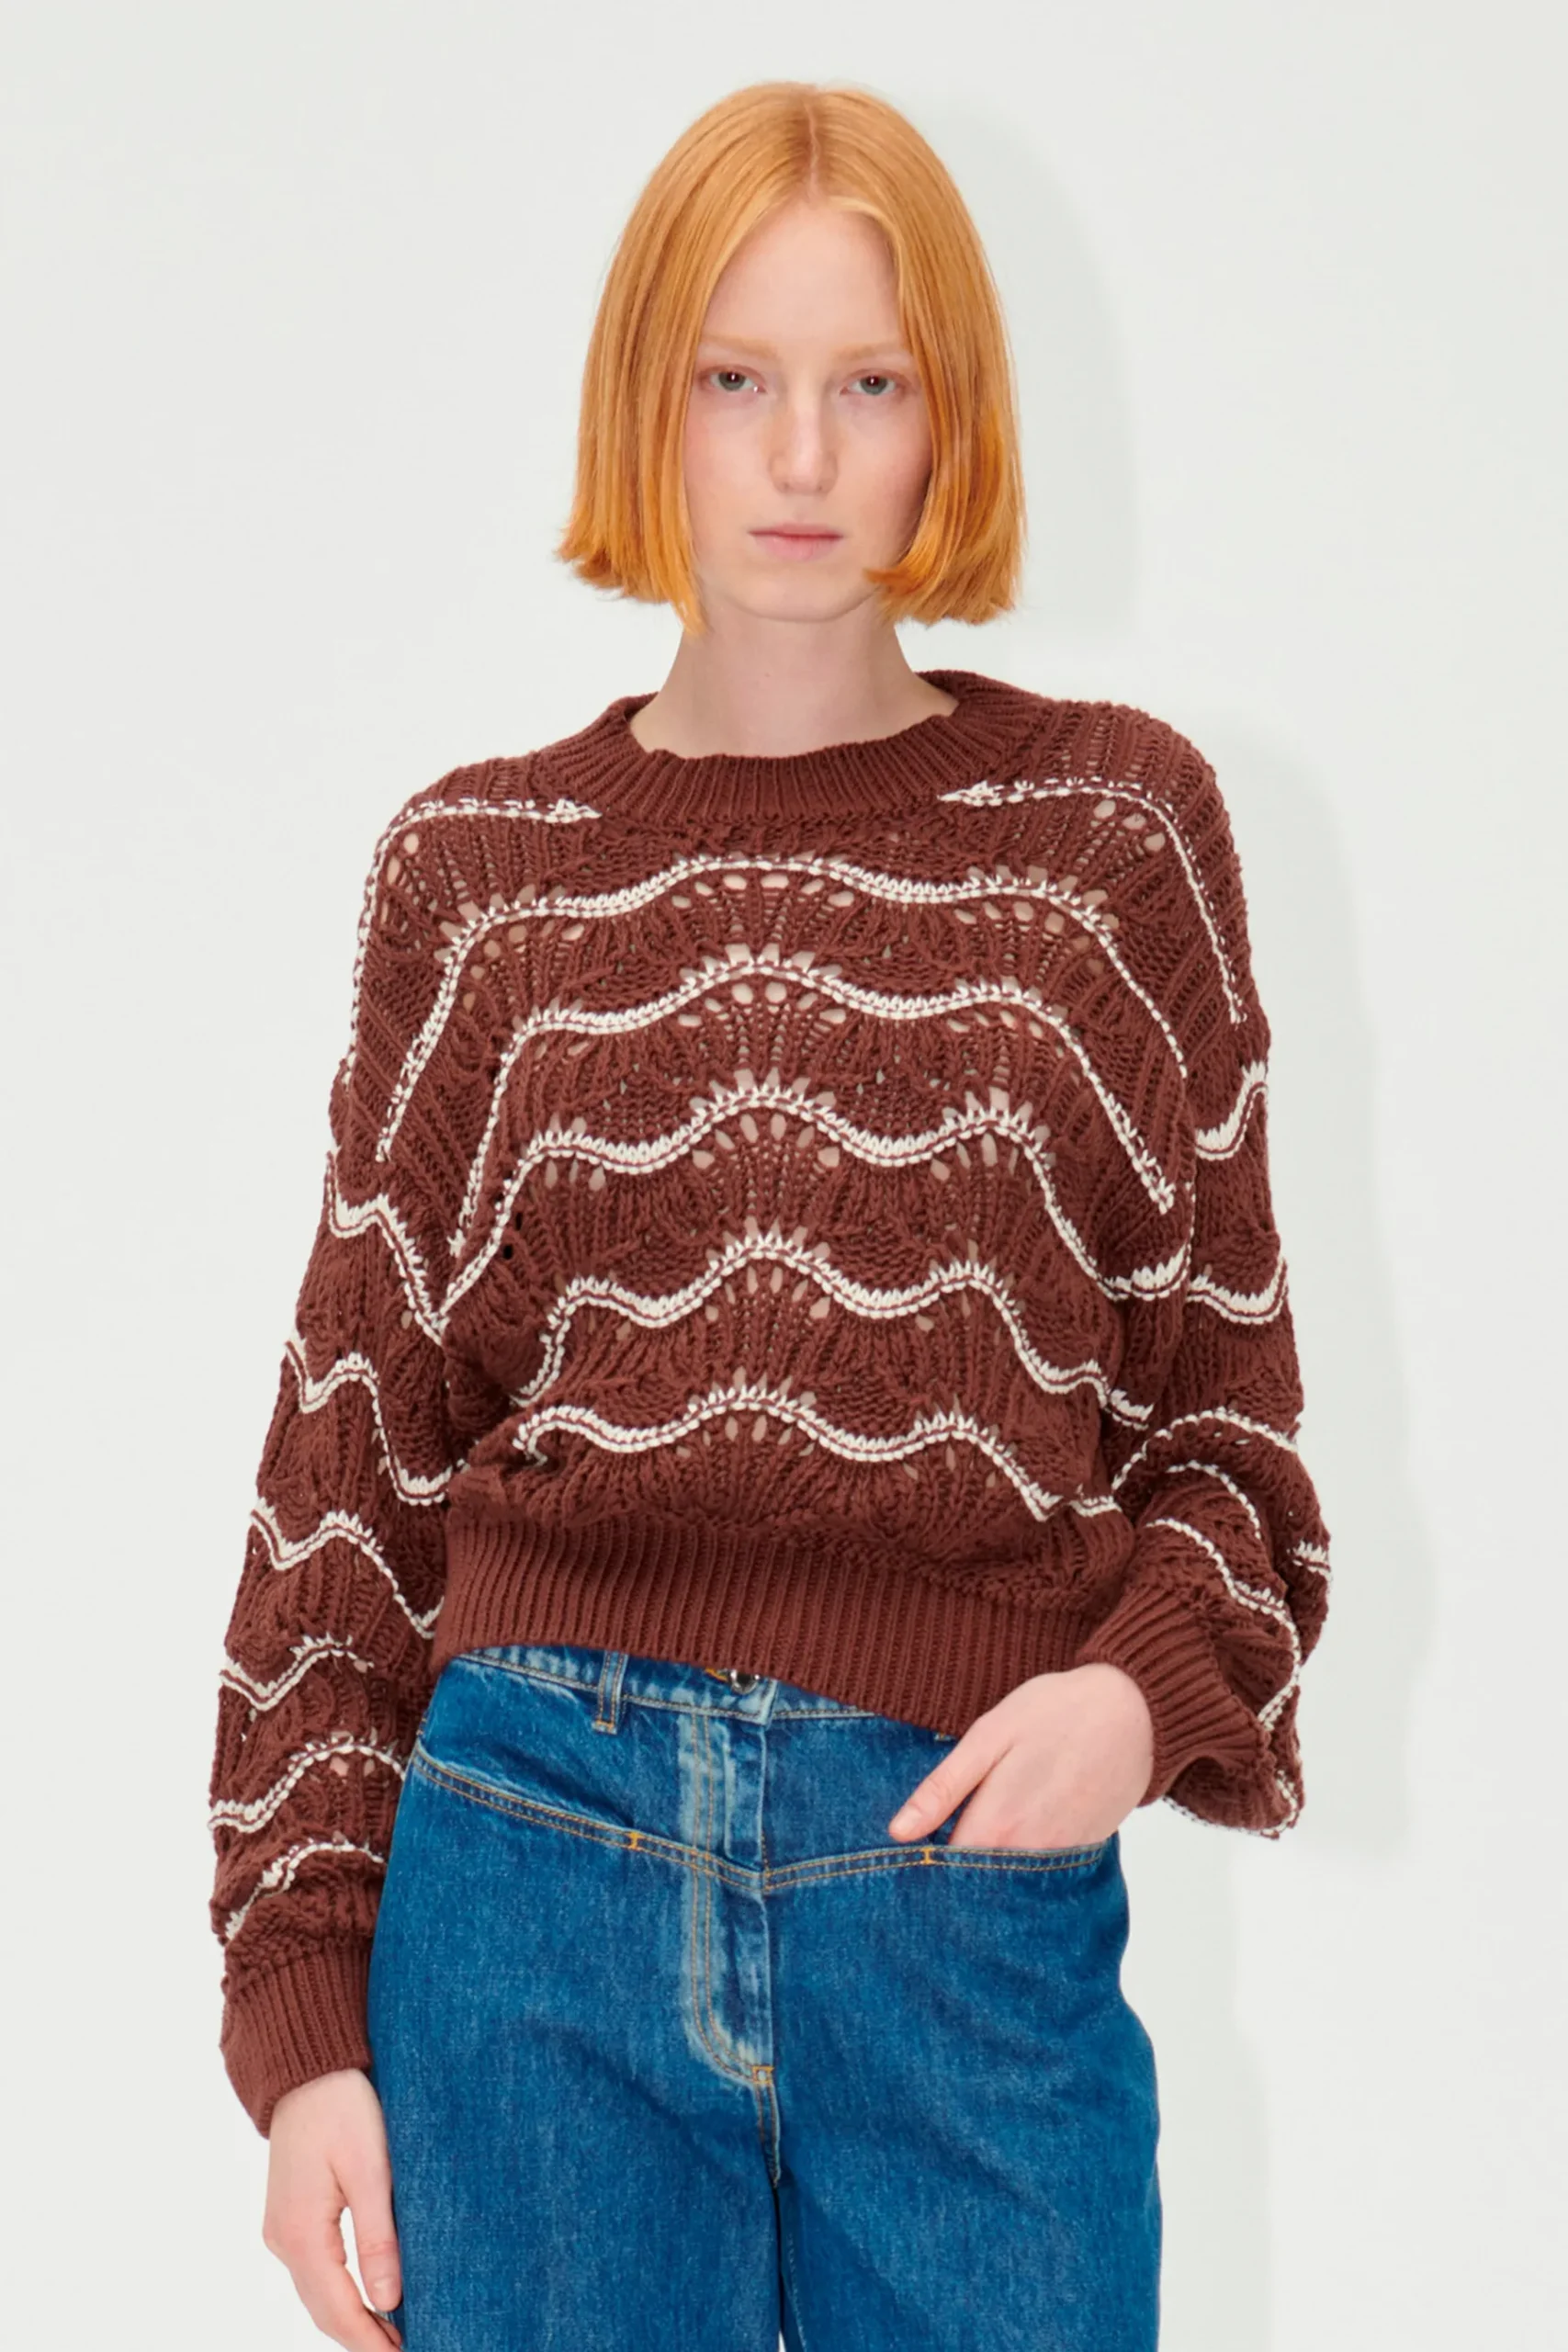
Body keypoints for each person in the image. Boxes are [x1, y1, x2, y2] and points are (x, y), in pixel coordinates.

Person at [207, 78, 1332, 2352]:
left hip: (959, 1896)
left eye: (868, 383)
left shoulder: (1109, 844)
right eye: (736, 378)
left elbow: (1232, 1444)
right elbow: (350, 1474)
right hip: (533, 1894)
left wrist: (1129, 1707)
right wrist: (304, 2020)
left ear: (950, 419)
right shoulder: (480, 878)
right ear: (650, 401)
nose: (800, 453)